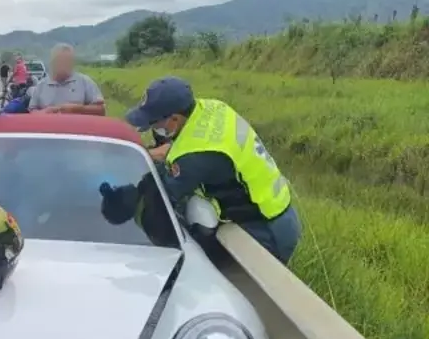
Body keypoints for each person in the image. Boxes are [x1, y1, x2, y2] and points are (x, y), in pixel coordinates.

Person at [122, 76, 301, 264]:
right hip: (278, 209)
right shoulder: (212, 108)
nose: (154, 128)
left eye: (155, 124)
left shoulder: (195, 158)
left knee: (209, 268)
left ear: (174, 119)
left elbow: (160, 199)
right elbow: (196, 143)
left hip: (267, 230)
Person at [27, 43, 106, 114]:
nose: (63, 65)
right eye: (59, 61)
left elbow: (101, 110)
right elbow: (32, 111)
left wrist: (79, 109)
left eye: (66, 61)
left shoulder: (85, 82)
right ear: (52, 63)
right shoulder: (41, 85)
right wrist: (44, 113)